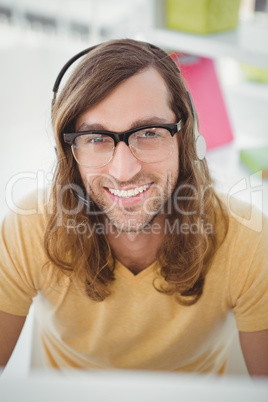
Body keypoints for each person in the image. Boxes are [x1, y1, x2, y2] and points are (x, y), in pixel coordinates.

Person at [0, 39, 267, 376]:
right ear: (70, 152)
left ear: (183, 139)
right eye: (97, 139)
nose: (124, 171)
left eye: (150, 133)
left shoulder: (248, 239)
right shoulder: (28, 228)